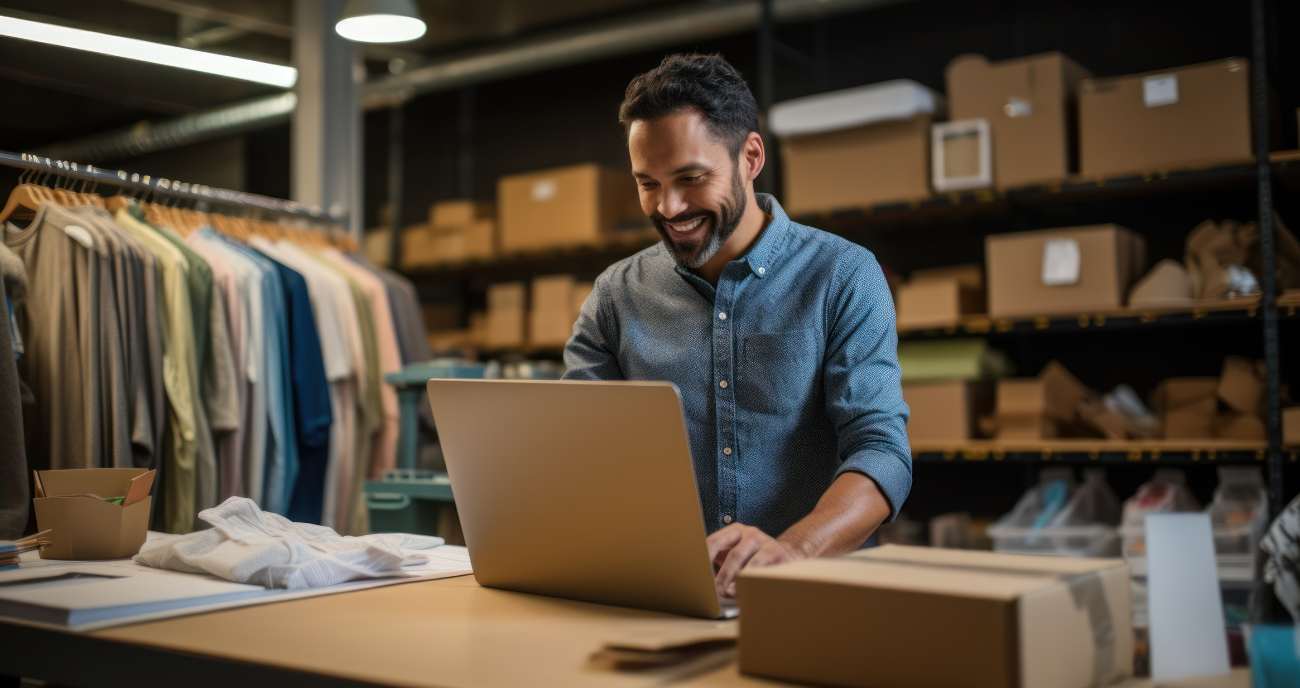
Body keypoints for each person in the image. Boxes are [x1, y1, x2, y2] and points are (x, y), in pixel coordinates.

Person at [563, 53, 910, 599]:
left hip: (814, 593)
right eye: (647, 183)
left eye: (691, 178)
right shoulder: (616, 294)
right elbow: (574, 447)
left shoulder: (844, 276)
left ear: (750, 157)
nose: (669, 206)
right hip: (665, 595)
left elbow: (881, 451)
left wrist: (792, 551)